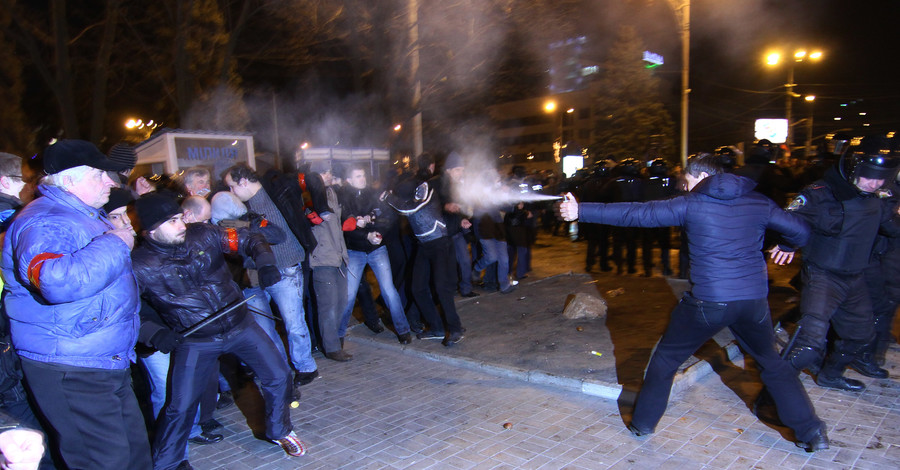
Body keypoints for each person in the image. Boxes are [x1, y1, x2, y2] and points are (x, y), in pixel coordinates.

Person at [559, 154, 828, 451]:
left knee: (665, 360)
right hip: (752, 301)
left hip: (709, 302)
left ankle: (643, 423)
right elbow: (801, 230)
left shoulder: (692, 203)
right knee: (772, 364)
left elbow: (638, 214)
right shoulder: (758, 201)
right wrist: (788, 245)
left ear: (700, 176)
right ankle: (812, 432)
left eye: (686, 182)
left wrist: (580, 210)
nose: (685, 188)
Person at [1, 140, 152, 469]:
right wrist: (116, 242)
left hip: (100, 359)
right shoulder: (46, 221)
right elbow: (57, 280)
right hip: (70, 365)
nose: (111, 182)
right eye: (100, 175)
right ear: (69, 179)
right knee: (103, 462)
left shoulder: (79, 214)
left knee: (135, 455)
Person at [130, 192, 305, 470]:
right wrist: (153, 333)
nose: (181, 225)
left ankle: (279, 430)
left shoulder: (203, 234)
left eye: (180, 218)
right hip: (197, 340)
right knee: (181, 405)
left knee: (279, 374)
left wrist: (266, 262)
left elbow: (249, 237)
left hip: (240, 325)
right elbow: (124, 311)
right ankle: (169, 462)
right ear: (150, 230)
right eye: (172, 221)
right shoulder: (138, 266)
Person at [776, 136, 900, 391]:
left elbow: (891, 228)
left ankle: (830, 375)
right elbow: (788, 219)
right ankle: (775, 393)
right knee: (809, 342)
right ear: (854, 169)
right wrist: (788, 244)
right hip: (823, 275)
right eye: (869, 176)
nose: (874, 183)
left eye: (881, 179)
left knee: (862, 335)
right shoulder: (821, 194)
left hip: (855, 277)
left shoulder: (877, 196)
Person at [223, 164, 320, 386]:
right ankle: (279, 370)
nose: (231, 192)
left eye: (232, 187)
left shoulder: (277, 189)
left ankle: (306, 367)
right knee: (263, 327)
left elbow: (310, 181)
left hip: (286, 267)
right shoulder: (238, 207)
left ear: (244, 182)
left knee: (293, 322)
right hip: (254, 274)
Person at [339, 164, 412, 344]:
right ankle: (338, 335)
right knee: (348, 295)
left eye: (363, 175)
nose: (362, 179)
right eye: (358, 176)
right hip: (355, 250)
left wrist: (376, 231)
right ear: (349, 180)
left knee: (389, 291)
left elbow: (387, 217)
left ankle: (404, 331)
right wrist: (366, 233)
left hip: (377, 249)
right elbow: (346, 226)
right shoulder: (343, 197)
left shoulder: (373, 193)